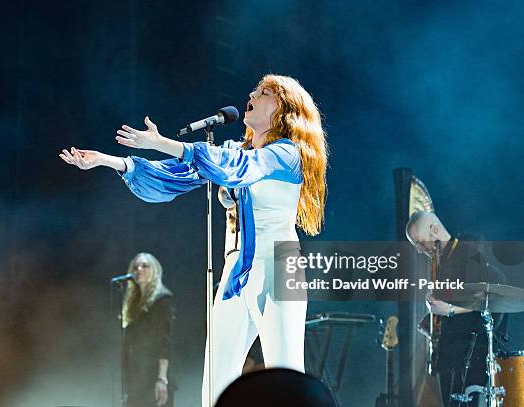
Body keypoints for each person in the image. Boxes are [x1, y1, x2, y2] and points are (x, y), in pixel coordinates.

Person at [59, 74, 328, 405]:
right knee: (216, 377)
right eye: (255, 89)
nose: (252, 94)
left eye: (264, 92)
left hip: (278, 263)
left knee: (286, 374)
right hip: (237, 269)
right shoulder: (234, 149)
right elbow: (176, 175)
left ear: (284, 110)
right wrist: (110, 160)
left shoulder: (287, 154)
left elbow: (237, 167)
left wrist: (161, 142)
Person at [406, 210, 509, 407]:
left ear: (434, 230)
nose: (419, 249)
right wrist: (435, 321)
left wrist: (450, 310)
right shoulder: (443, 261)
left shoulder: (468, 253)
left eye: (420, 242)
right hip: (454, 360)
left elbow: (493, 294)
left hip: (473, 359)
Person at [121, 253, 175, 407]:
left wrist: (161, 379)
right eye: (136, 266)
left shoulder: (162, 300)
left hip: (154, 377)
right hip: (137, 377)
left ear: (154, 270)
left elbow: (164, 341)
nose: (139, 269)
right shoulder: (132, 304)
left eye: (145, 265)